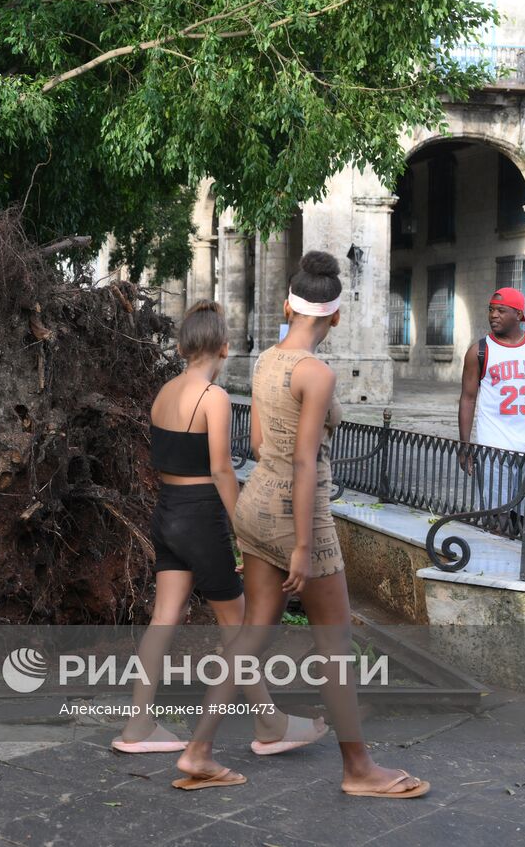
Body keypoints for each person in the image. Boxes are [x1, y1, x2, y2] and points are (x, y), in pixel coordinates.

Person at [172, 252, 429, 799]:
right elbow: (305, 463)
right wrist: (304, 546)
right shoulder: (317, 372)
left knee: (250, 634)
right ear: (336, 317)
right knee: (335, 643)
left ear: (287, 305)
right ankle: (358, 769)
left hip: (255, 507)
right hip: (298, 515)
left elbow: (263, 446)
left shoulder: (266, 359)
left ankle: (198, 750)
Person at [113, 301, 325, 757]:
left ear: (182, 345)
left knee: (163, 618)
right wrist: (243, 526)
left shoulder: (163, 393)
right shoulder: (214, 398)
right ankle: (270, 724)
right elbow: (222, 471)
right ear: (225, 347)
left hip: (166, 514)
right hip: (201, 516)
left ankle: (137, 726)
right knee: (239, 624)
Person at [457, 287, 525, 531]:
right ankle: (496, 565)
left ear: (518, 315)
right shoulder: (479, 351)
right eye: (491, 310)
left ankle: (519, 565)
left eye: (501, 310)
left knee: (524, 520)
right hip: (494, 448)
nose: (493, 315)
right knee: (497, 518)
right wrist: (465, 446)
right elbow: (467, 399)